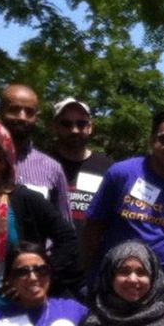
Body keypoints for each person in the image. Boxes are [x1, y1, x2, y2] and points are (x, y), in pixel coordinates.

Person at [0, 118, 80, 326]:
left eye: (0, 159)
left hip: (16, 315)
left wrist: (39, 275)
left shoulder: (22, 199)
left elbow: (69, 240)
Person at [83, 108, 164, 299]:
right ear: (152, 141)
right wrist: (91, 279)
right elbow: (93, 230)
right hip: (115, 285)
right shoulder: (121, 174)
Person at [0, 81, 72, 222]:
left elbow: (65, 227)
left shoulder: (52, 169)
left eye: (29, 112)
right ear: (0, 112)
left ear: (37, 118)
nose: (22, 117)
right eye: (14, 110)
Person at [48, 97, 113, 236]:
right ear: (55, 127)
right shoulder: (42, 165)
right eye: (66, 124)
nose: (75, 130)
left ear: (90, 127)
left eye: (81, 123)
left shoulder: (108, 168)